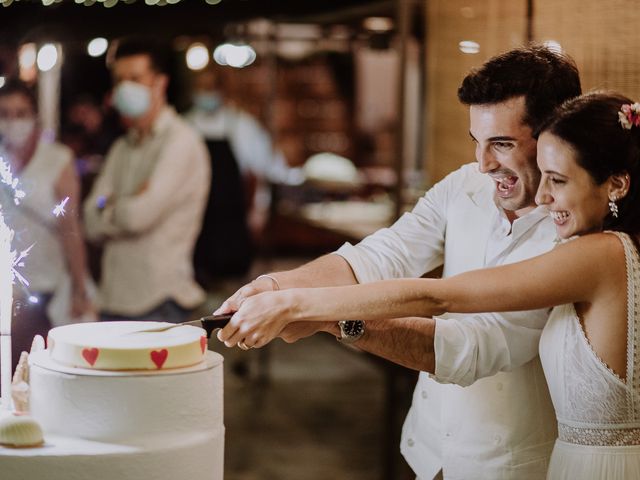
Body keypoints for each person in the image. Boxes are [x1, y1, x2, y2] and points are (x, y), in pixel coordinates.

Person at [216, 92, 640, 480]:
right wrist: (276, 285)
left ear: (617, 184)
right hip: (444, 446)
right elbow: (381, 255)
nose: (546, 197)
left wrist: (303, 308)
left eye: (558, 179)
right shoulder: (476, 191)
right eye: (477, 140)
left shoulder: (592, 252)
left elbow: (440, 301)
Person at [83, 37, 210, 323]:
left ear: (159, 83)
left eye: (135, 78)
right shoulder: (121, 148)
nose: (126, 87)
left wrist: (109, 205)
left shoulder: (181, 142)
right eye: (120, 80)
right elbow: (90, 220)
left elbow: (139, 216)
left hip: (159, 301)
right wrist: (115, 204)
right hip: (112, 299)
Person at [0, 80, 95, 368]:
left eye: (21, 113)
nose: (13, 121)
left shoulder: (56, 159)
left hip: (48, 289)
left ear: (34, 116)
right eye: (4, 113)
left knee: (38, 373)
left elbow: (70, 229)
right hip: (7, 292)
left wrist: (80, 288)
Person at [184, 66, 298, 283]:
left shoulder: (241, 125)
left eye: (210, 88)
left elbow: (269, 168)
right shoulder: (186, 125)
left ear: (221, 91)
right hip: (196, 224)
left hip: (232, 225)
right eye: (201, 88)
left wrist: (259, 210)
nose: (206, 94)